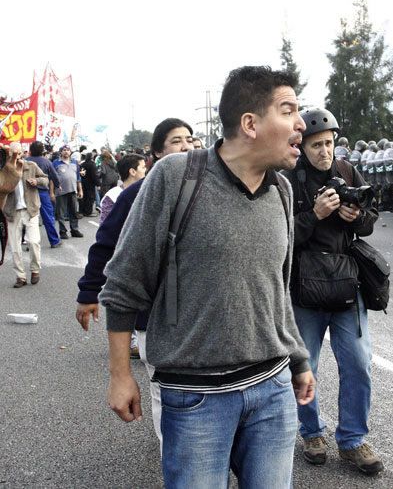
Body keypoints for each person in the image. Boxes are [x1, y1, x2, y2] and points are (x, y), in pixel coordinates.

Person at [99, 66, 315, 488]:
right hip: (195, 398)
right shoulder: (176, 176)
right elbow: (125, 282)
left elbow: (276, 288)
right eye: (288, 110)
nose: (301, 124)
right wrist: (120, 374)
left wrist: (300, 360)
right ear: (250, 124)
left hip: (272, 392)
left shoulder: (282, 192)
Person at [76, 117, 196, 443]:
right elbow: (106, 245)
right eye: (175, 140)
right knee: (165, 393)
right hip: (153, 317)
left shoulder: (208, 192)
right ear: (155, 152)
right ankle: (174, 458)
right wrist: (88, 292)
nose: (185, 146)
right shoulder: (136, 196)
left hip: (197, 316)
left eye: (189, 139)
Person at [281, 107, 384, 475]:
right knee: (304, 363)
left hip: (345, 282)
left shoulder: (347, 172)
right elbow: (281, 235)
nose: (325, 151)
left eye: (329, 143)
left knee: (358, 362)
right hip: (305, 285)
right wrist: (316, 215)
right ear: (302, 145)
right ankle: (311, 432)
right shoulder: (287, 179)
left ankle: (353, 439)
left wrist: (358, 218)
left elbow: (371, 219)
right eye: (316, 145)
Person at [3, 143, 48, 287]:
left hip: (31, 209)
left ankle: (35, 269)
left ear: (24, 153)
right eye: (12, 153)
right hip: (12, 211)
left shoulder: (31, 166)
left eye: (19, 153)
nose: (16, 156)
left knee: (34, 241)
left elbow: (45, 179)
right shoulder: (4, 169)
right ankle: (20, 276)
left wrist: (37, 181)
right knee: (15, 247)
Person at [25, 141, 62, 247]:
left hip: (29, 193)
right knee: (48, 218)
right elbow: (54, 176)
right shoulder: (46, 162)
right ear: (42, 151)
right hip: (43, 193)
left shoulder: (25, 161)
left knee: (29, 218)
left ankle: (30, 243)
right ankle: (54, 241)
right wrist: (58, 184)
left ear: (31, 150)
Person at [98, 154, 146, 223]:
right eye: (143, 167)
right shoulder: (113, 197)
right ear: (132, 171)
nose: (146, 170)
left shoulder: (147, 191)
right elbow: (106, 228)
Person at [53, 145, 84, 239]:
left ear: (70, 152)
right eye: (64, 150)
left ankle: (74, 230)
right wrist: (52, 191)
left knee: (74, 211)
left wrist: (80, 190)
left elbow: (78, 178)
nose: (66, 152)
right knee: (61, 213)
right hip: (61, 191)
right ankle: (62, 232)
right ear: (61, 152)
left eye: (68, 150)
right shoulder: (56, 163)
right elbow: (52, 178)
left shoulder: (75, 163)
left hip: (73, 190)